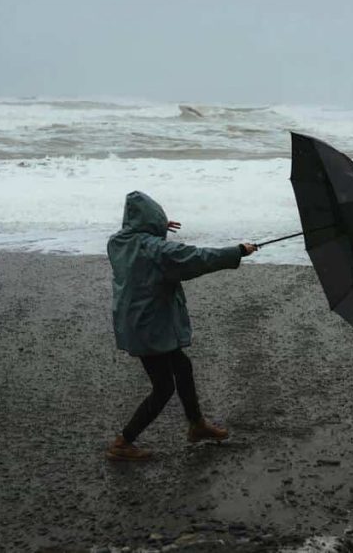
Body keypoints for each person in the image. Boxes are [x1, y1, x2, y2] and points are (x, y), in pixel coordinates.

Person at [105, 191, 258, 461]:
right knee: (163, 387)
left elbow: (142, 242)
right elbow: (196, 258)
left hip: (136, 321)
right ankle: (123, 441)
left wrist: (155, 229)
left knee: (182, 366)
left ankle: (196, 425)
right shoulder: (155, 250)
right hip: (149, 326)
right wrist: (237, 252)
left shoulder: (118, 243)